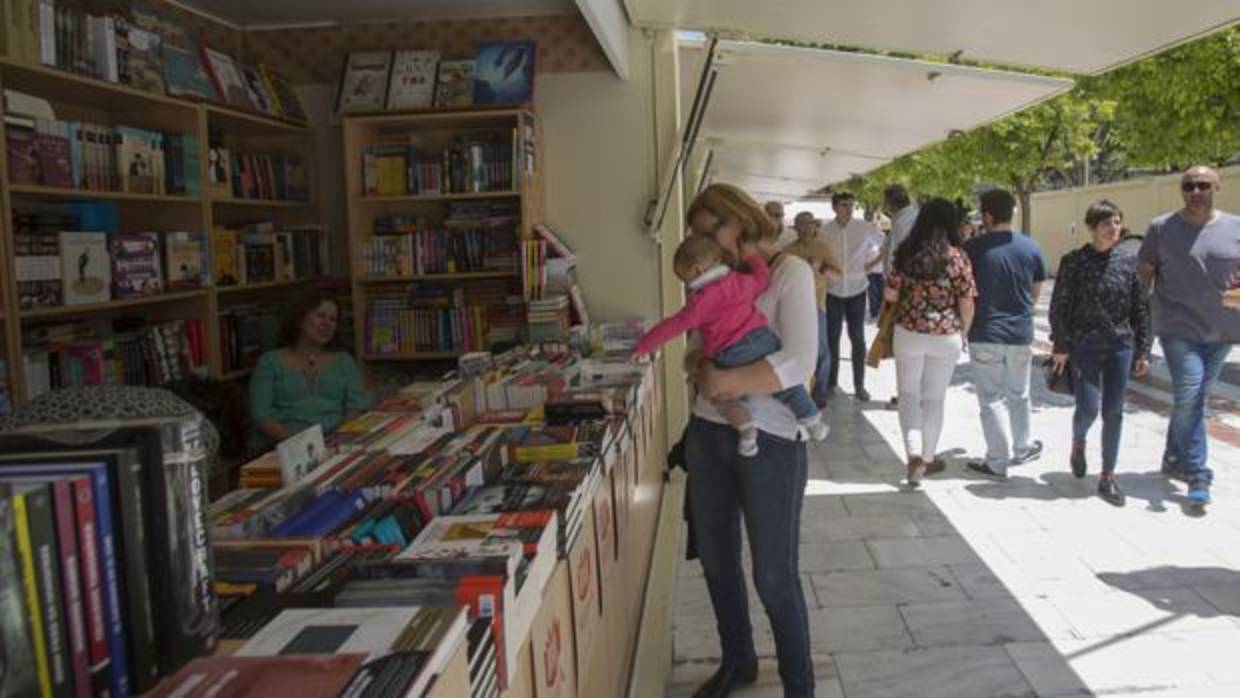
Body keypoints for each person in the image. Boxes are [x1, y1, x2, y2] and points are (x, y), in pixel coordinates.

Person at [681, 183, 816, 697]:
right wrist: (699, 366)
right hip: (706, 433)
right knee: (716, 561)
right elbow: (695, 347)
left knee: (774, 577)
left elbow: (800, 362)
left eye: (711, 230)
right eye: (697, 235)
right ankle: (738, 662)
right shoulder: (709, 277)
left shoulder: (790, 272)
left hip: (774, 443)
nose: (705, 244)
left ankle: (799, 686)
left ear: (740, 219)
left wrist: (727, 381)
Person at [631, 235, 829, 455]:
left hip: (728, 354)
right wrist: (753, 257)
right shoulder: (739, 281)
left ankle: (746, 430)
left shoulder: (700, 302)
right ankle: (812, 420)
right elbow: (762, 279)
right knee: (787, 387)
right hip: (761, 340)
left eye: (684, 279)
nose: (687, 286)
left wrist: (643, 346)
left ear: (697, 271)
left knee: (723, 399)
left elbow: (673, 326)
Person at [1138, 165, 1240, 507]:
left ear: (1217, 187)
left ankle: (1172, 454)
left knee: (1191, 399)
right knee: (1192, 394)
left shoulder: (1235, 228)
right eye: (1188, 186)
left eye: (1202, 185)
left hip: (1223, 331)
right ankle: (1198, 473)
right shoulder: (1161, 228)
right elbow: (1145, 277)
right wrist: (1140, 327)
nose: (1195, 191)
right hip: (1177, 327)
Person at [1049, 200, 1152, 506]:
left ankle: (1108, 476)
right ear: (1092, 227)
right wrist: (1061, 347)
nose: (1113, 228)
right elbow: (1059, 307)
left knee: (1114, 412)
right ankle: (1078, 441)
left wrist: (1143, 350)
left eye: (1117, 222)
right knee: (1088, 409)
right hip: (1085, 346)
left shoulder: (1128, 263)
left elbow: (1141, 310)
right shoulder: (1074, 261)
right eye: (1107, 223)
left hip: (1120, 346)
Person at [885, 199, 976, 486]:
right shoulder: (958, 256)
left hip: (908, 332)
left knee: (909, 394)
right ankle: (927, 458)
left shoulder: (906, 253)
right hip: (946, 335)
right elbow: (967, 301)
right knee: (934, 398)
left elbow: (889, 296)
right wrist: (964, 332)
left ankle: (912, 452)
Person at [964, 188, 1048, 479]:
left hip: (985, 331)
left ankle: (997, 460)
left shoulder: (971, 248)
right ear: (1012, 212)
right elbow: (1036, 291)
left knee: (991, 399)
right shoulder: (1031, 247)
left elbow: (964, 292)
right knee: (1019, 393)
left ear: (987, 215)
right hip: (1020, 332)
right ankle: (1022, 448)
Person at [250, 291, 372, 446]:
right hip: (286, 446)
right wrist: (300, 444)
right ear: (300, 319)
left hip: (336, 443)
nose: (327, 324)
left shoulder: (344, 361)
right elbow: (262, 415)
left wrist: (336, 439)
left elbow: (357, 407)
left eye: (333, 320)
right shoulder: (270, 362)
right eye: (320, 316)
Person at [822, 191, 878, 402]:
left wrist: (870, 265)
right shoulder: (825, 231)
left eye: (851, 205)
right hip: (833, 290)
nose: (849, 208)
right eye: (844, 204)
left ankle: (859, 385)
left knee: (858, 339)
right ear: (834, 207)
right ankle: (831, 382)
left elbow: (886, 244)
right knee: (832, 338)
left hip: (857, 289)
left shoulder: (864, 227)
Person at [783, 212, 843, 406]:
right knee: (794, 349)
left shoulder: (823, 248)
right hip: (792, 308)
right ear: (796, 227)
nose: (807, 228)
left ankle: (820, 392)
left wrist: (821, 266)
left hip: (816, 305)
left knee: (822, 351)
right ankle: (798, 391)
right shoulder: (787, 251)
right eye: (802, 224)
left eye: (810, 224)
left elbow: (837, 276)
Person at [877, 184, 919, 409]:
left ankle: (907, 397)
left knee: (904, 348)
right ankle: (909, 395)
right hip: (907, 292)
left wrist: (891, 294)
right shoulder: (909, 218)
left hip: (903, 294)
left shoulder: (904, 221)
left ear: (890, 203)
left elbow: (898, 262)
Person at [864, 225, 886, 320]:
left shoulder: (882, 237)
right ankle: (875, 313)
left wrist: (871, 264)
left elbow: (883, 253)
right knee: (872, 293)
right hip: (870, 271)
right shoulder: (865, 238)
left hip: (880, 270)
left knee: (881, 292)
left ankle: (881, 312)